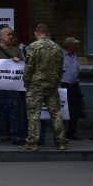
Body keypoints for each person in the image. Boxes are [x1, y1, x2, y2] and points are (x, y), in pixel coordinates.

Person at [22, 23, 66, 151]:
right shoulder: (57, 47)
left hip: (36, 85)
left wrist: (26, 81)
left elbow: (29, 67)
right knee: (56, 113)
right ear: (48, 33)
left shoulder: (33, 47)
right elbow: (60, 68)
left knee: (34, 114)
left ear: (37, 33)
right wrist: (56, 81)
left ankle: (33, 142)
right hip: (52, 85)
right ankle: (61, 142)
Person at [0, 27, 24, 144]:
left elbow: (22, 67)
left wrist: (19, 62)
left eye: (12, 34)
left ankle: (15, 135)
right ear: (1, 36)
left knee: (14, 111)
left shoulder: (17, 50)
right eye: (8, 34)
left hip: (13, 87)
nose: (11, 36)